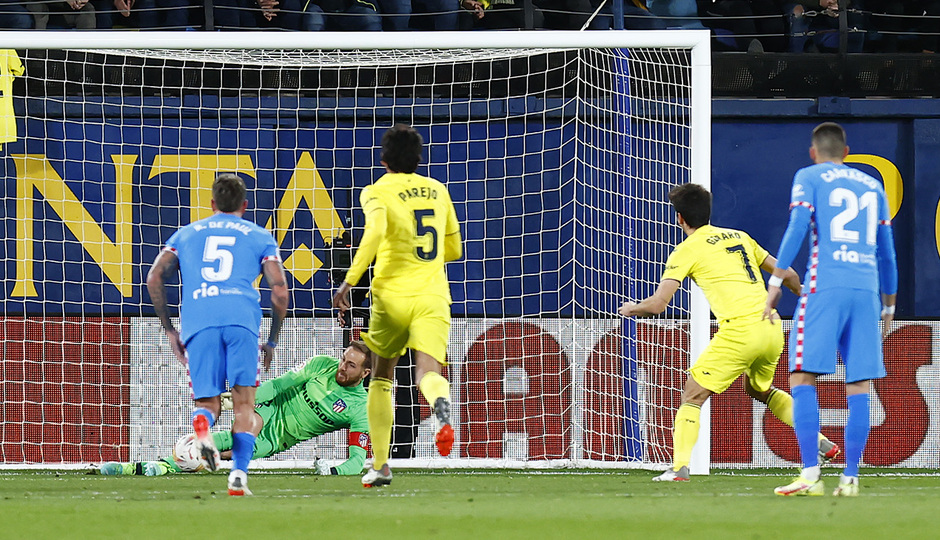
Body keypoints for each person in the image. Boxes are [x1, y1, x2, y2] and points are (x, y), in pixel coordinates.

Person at [618, 183, 840, 482]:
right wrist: (804, 298)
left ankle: (679, 467)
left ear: (680, 218)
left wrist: (632, 308)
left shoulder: (685, 251)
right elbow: (787, 273)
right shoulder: (740, 237)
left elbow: (659, 304)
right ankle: (820, 442)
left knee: (693, 395)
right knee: (758, 390)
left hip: (740, 331)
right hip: (772, 327)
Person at [765, 122, 898, 497]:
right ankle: (850, 478)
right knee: (859, 384)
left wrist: (775, 284)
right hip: (866, 290)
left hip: (825, 286)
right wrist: (889, 304)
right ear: (847, 150)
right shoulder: (873, 186)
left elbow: (796, 228)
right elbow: (887, 251)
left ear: (814, 152)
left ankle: (810, 474)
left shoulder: (809, 176)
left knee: (802, 378)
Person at [332, 124, 462, 488]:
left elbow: (373, 233)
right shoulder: (439, 191)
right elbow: (454, 250)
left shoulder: (376, 190)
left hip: (391, 296)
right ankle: (442, 411)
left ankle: (380, 465)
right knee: (427, 373)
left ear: (384, 159)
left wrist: (349, 281)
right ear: (418, 159)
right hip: (434, 294)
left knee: (382, 377)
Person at [146, 173, 289, 496]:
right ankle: (238, 474)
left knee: (208, 403)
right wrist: (272, 339)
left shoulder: (185, 234)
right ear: (245, 205)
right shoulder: (259, 236)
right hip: (241, 322)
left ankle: (202, 426)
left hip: (199, 323)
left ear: (212, 204)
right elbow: (279, 291)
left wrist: (169, 330)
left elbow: (154, 277)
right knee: (244, 408)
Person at [99, 341, 372, 478]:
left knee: (220, 456)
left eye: (351, 365)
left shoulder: (360, 408)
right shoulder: (320, 365)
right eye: (343, 359)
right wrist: (242, 400)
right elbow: (277, 386)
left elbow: (358, 460)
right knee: (239, 434)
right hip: (267, 412)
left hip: (279, 439)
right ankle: (140, 467)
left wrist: (334, 472)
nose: (342, 367)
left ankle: (163, 465)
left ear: (365, 373)